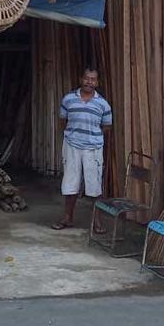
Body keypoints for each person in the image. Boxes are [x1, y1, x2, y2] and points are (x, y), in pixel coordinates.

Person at [52, 67, 112, 230]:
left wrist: (93, 135)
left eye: (93, 79)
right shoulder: (69, 99)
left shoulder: (103, 104)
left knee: (94, 184)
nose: (89, 82)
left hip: (93, 148)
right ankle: (68, 217)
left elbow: (106, 126)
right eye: (87, 78)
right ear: (81, 79)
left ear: (97, 82)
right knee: (70, 182)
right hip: (72, 145)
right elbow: (62, 121)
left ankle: (96, 222)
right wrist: (73, 134)